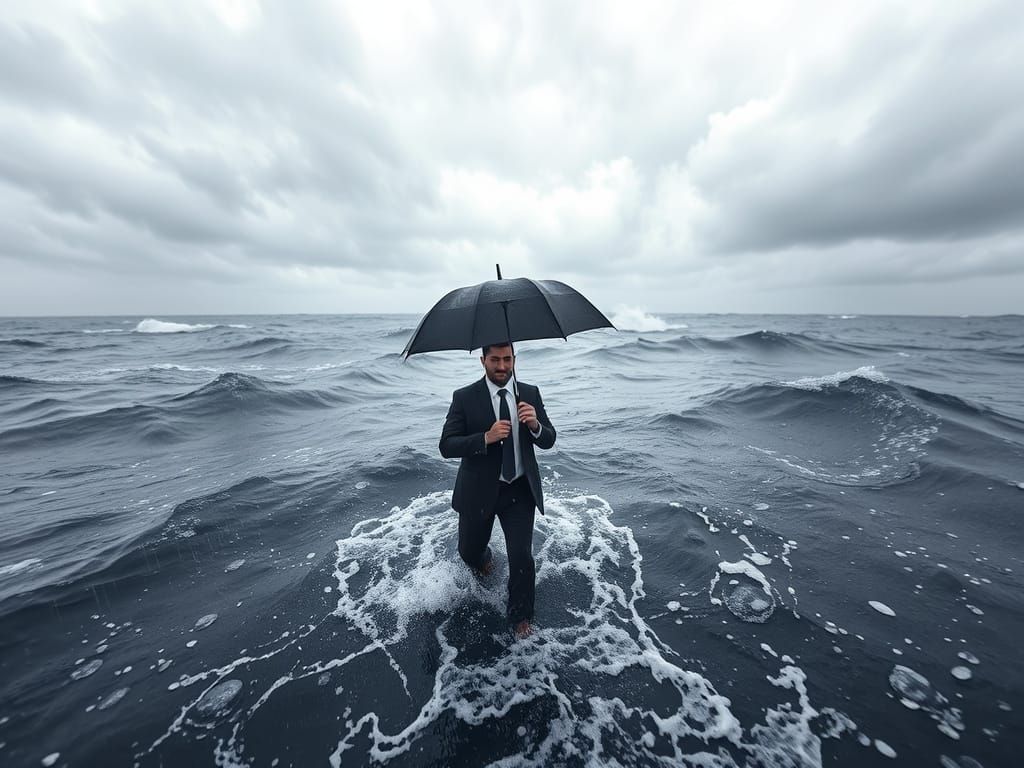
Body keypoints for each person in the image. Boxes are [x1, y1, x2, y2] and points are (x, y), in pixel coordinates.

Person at [438, 342, 556, 639]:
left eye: (507, 359)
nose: (502, 367)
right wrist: (485, 438)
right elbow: (446, 445)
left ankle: (521, 617)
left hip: (518, 490)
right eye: (495, 360)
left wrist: (536, 426)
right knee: (469, 553)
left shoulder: (529, 393)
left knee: (522, 557)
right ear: (483, 361)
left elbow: (549, 439)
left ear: (514, 359)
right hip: (479, 490)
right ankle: (485, 558)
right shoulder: (464, 397)